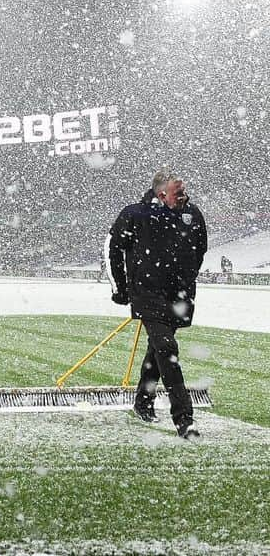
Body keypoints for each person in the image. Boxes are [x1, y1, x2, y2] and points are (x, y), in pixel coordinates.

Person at [108, 171, 207, 439]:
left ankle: (143, 401)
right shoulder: (136, 215)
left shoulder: (192, 214)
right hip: (148, 294)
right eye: (178, 191)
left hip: (179, 297)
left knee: (158, 351)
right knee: (166, 347)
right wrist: (121, 288)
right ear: (162, 194)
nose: (184, 195)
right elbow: (113, 246)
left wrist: (185, 279)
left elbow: (200, 249)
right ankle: (184, 418)